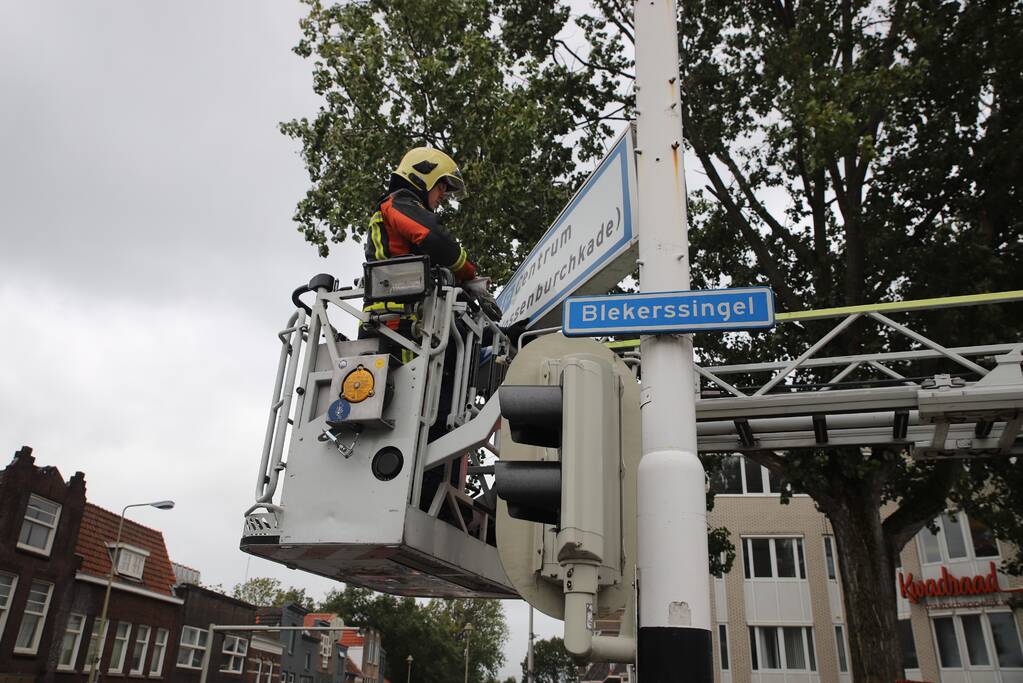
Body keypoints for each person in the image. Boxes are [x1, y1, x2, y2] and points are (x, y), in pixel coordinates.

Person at [363, 146, 502, 325]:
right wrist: (469, 274)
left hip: (403, 316)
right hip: (398, 321)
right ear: (421, 177)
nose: (443, 195)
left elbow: (432, 263)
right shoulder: (399, 202)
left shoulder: (401, 208)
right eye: (441, 187)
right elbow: (436, 240)